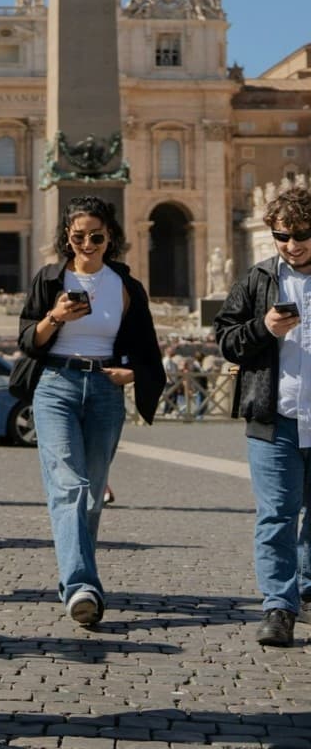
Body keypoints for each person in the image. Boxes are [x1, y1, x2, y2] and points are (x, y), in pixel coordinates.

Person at [15, 195, 163, 626]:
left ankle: (78, 580)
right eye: (78, 236)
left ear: (110, 237)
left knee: (92, 495)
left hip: (103, 389)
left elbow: (145, 348)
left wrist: (131, 374)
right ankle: (82, 586)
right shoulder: (49, 279)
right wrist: (55, 317)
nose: (87, 244)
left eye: (96, 236)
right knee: (70, 487)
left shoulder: (126, 287)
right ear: (67, 237)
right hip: (56, 385)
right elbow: (28, 339)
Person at [214, 185, 311, 647]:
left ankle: (306, 592)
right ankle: (278, 606)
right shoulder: (257, 279)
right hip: (273, 417)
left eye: (303, 234)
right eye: (283, 235)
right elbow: (226, 338)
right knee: (275, 515)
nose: (293, 244)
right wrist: (263, 328)